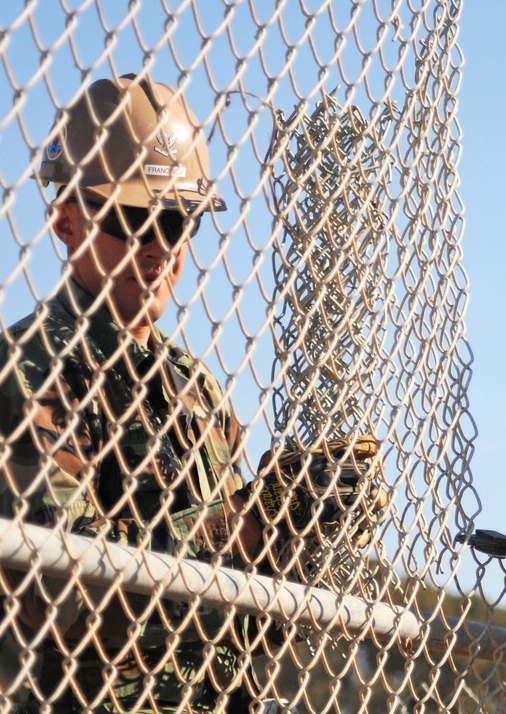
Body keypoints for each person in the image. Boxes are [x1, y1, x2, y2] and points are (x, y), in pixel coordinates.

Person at [0, 74, 379, 713]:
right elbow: (58, 590)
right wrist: (246, 525)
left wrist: (297, 534)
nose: (157, 247)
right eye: (131, 218)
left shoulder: (198, 392)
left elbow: (252, 626)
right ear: (66, 222)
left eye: (176, 221)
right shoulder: (26, 370)